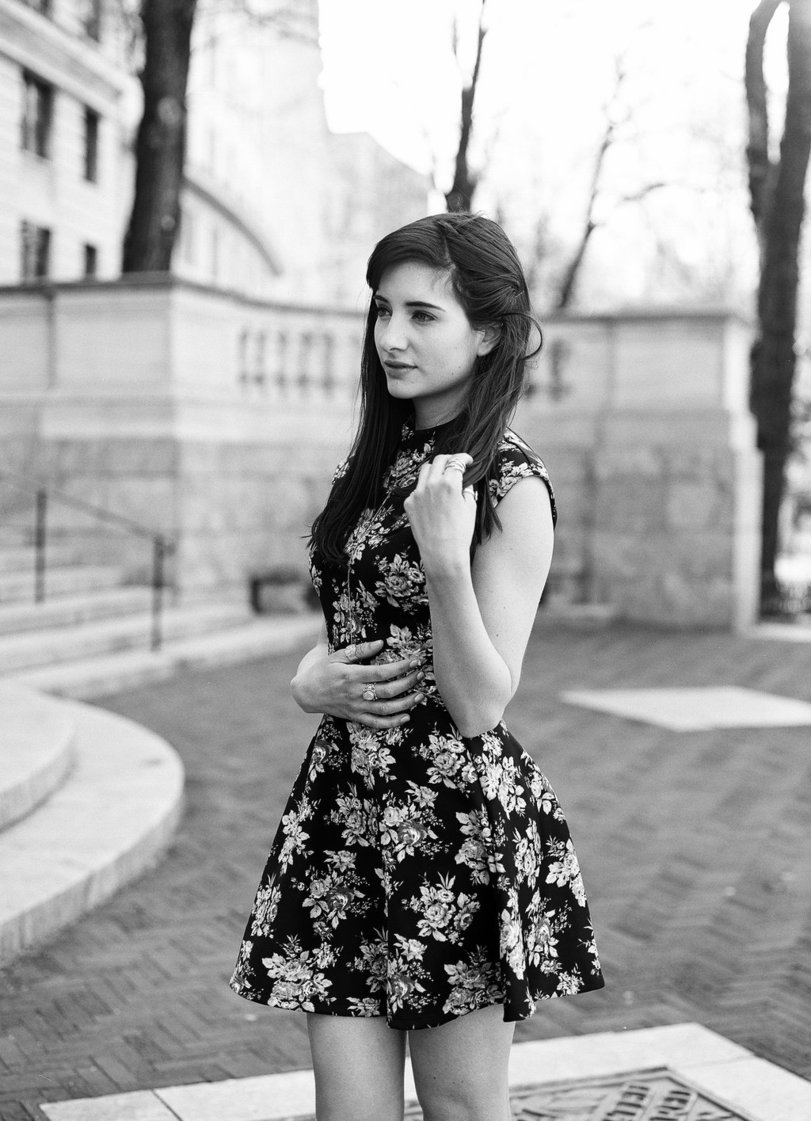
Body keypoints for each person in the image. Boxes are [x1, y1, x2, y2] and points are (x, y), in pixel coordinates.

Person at [230, 212, 604, 1121]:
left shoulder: (510, 486)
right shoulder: (376, 460)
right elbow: (352, 625)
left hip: (452, 824)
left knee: (460, 1109)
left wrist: (444, 559)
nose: (390, 336)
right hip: (343, 810)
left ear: (487, 334)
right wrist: (308, 680)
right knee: (347, 1110)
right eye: (382, 310)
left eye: (422, 315)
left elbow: (480, 703)